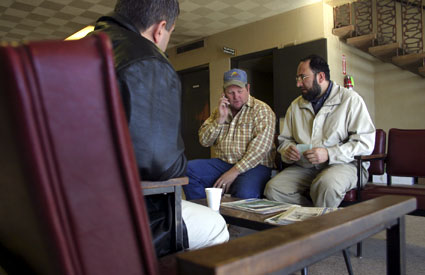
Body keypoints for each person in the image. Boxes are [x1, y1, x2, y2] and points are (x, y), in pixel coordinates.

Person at [93, 0, 228, 257]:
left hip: (66, 205)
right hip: (122, 215)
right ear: (160, 28)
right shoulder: (148, 61)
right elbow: (162, 165)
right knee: (216, 225)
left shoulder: (86, 46)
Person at [264, 54, 375, 208]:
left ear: (321, 76)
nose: (298, 83)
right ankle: (317, 217)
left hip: (345, 165)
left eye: (302, 77)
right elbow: (285, 140)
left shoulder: (350, 100)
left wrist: (329, 154)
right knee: (273, 189)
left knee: (326, 185)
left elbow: (365, 143)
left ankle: (320, 224)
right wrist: (287, 150)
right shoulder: (295, 106)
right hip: (306, 167)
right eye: (297, 78)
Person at [183, 68, 276, 200]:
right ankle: (207, 215)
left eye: (239, 91)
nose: (236, 96)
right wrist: (219, 120)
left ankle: (235, 219)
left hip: (255, 166)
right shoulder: (219, 111)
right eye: (231, 92)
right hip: (223, 163)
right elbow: (204, 141)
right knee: (188, 170)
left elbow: (260, 150)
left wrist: (233, 172)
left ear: (247, 88)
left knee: (244, 193)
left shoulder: (261, 109)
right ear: (224, 93)